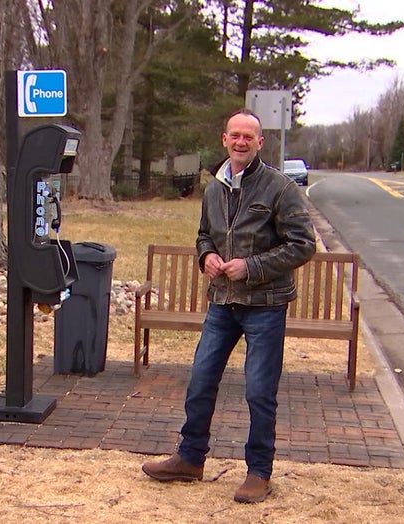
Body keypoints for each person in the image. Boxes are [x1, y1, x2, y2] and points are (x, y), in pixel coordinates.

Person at [141, 109, 316, 504]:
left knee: (259, 390)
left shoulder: (280, 188)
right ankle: (189, 459)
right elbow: (205, 235)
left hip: (265, 305)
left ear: (259, 143)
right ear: (224, 140)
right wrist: (206, 257)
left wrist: (251, 266)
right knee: (201, 380)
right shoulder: (215, 188)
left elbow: (303, 245)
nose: (240, 142)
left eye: (248, 136)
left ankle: (259, 472)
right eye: (234, 135)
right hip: (222, 303)